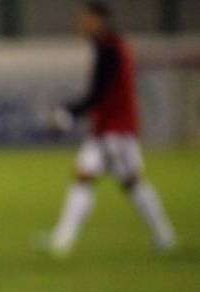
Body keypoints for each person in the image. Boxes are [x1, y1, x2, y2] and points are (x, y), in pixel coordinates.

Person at [46, 1, 176, 257]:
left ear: (99, 20)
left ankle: (164, 236)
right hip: (107, 128)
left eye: (86, 19)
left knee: (130, 183)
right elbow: (100, 94)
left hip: (116, 129)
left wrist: (68, 111)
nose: (81, 24)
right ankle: (62, 240)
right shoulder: (110, 47)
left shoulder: (110, 50)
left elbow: (99, 93)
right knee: (87, 178)